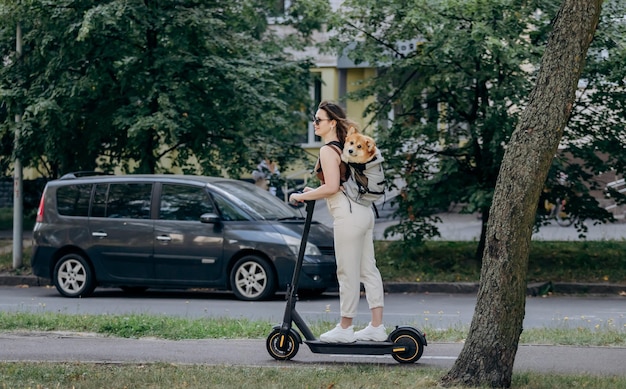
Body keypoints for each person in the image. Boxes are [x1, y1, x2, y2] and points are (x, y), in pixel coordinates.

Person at [289, 101, 386, 343]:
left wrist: (301, 196)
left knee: (347, 271)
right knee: (368, 270)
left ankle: (345, 327)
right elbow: (337, 184)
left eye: (318, 120)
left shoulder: (326, 150)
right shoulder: (343, 146)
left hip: (348, 215)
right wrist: (314, 191)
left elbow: (332, 187)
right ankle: (377, 326)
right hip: (364, 212)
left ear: (332, 123)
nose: (314, 123)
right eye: (314, 119)